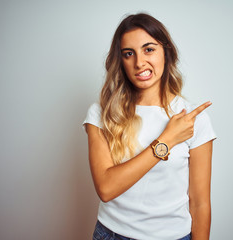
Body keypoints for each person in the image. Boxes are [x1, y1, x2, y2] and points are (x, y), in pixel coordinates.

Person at [83, 13, 217, 240]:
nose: (139, 62)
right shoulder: (102, 113)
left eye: (149, 49)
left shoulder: (192, 119)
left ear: (166, 51)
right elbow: (106, 189)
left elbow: (200, 203)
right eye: (128, 54)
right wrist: (166, 141)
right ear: (121, 61)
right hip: (111, 234)